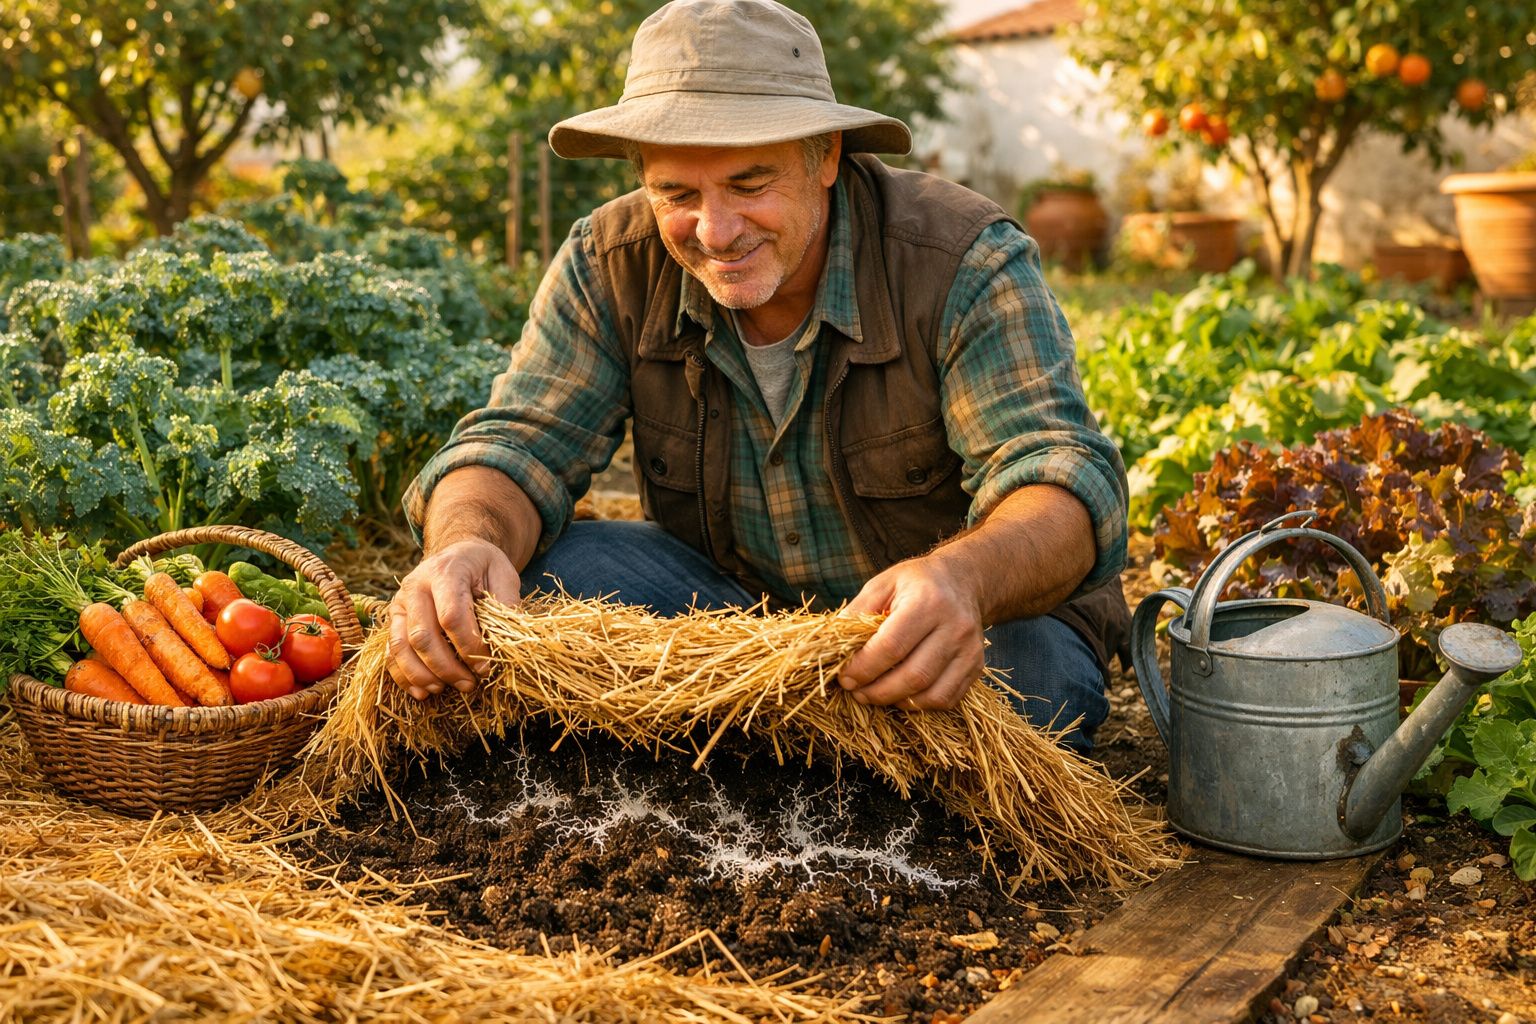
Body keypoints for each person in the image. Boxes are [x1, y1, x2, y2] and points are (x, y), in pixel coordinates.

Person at [388, 0, 1131, 752]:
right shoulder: (609, 263)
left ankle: (753, 753)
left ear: (827, 157)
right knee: (537, 583)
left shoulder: (959, 260)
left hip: (947, 620)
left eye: (749, 184)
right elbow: (518, 445)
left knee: (1035, 685)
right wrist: (464, 543)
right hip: (737, 621)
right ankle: (775, 750)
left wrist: (963, 582)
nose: (717, 231)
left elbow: (1054, 475)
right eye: (678, 194)